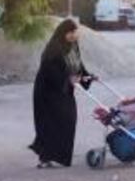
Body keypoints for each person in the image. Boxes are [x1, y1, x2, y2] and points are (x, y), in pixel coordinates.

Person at [29, 19, 93, 168]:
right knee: (50, 124)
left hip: (64, 90)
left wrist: (88, 76)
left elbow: (78, 65)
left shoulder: (73, 47)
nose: (73, 35)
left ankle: (60, 155)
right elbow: (49, 70)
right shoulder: (53, 49)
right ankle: (45, 158)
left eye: (74, 32)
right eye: (70, 33)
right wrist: (67, 79)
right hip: (48, 92)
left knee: (68, 119)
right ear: (63, 33)